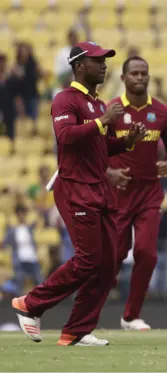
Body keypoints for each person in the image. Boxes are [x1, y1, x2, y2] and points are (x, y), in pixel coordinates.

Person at [11, 42, 147, 346]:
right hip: (75, 187)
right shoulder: (64, 99)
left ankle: (77, 330)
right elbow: (66, 137)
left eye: (105, 61)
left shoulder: (100, 105)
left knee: (109, 262)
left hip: (100, 188)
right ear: (79, 66)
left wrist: (126, 142)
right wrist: (103, 122)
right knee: (89, 260)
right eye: (97, 61)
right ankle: (30, 304)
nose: (104, 66)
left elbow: (100, 146)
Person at [109, 56, 167, 331]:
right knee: (115, 254)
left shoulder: (163, 113)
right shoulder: (112, 110)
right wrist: (109, 173)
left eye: (144, 74)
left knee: (147, 253)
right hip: (119, 192)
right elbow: (96, 150)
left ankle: (131, 316)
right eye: (134, 73)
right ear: (124, 78)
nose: (140, 78)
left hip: (149, 193)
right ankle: (93, 303)